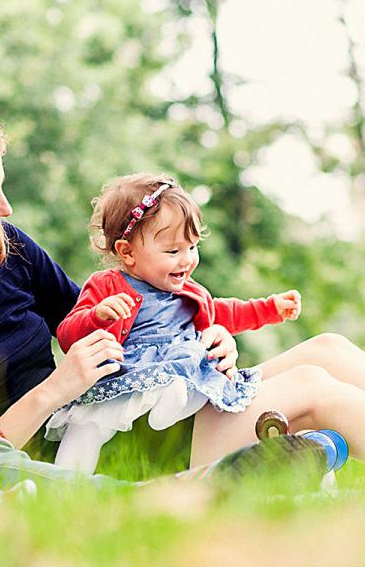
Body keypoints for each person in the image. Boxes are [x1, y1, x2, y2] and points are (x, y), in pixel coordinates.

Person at [0, 103, 365, 476]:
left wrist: (205, 336)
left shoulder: (8, 250)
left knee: (327, 349)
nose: (4, 210)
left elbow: (106, 318)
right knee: (312, 386)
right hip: (79, 454)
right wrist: (58, 387)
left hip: (126, 403)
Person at [44, 174, 300, 473]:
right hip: (121, 377)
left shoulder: (189, 293)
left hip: (177, 373)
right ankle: (64, 480)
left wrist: (269, 308)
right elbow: (66, 335)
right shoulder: (106, 285)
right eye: (173, 251)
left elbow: (227, 312)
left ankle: (176, 401)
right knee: (86, 426)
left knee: (194, 360)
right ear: (127, 252)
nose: (187, 260)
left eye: (192, 247)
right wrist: (97, 316)